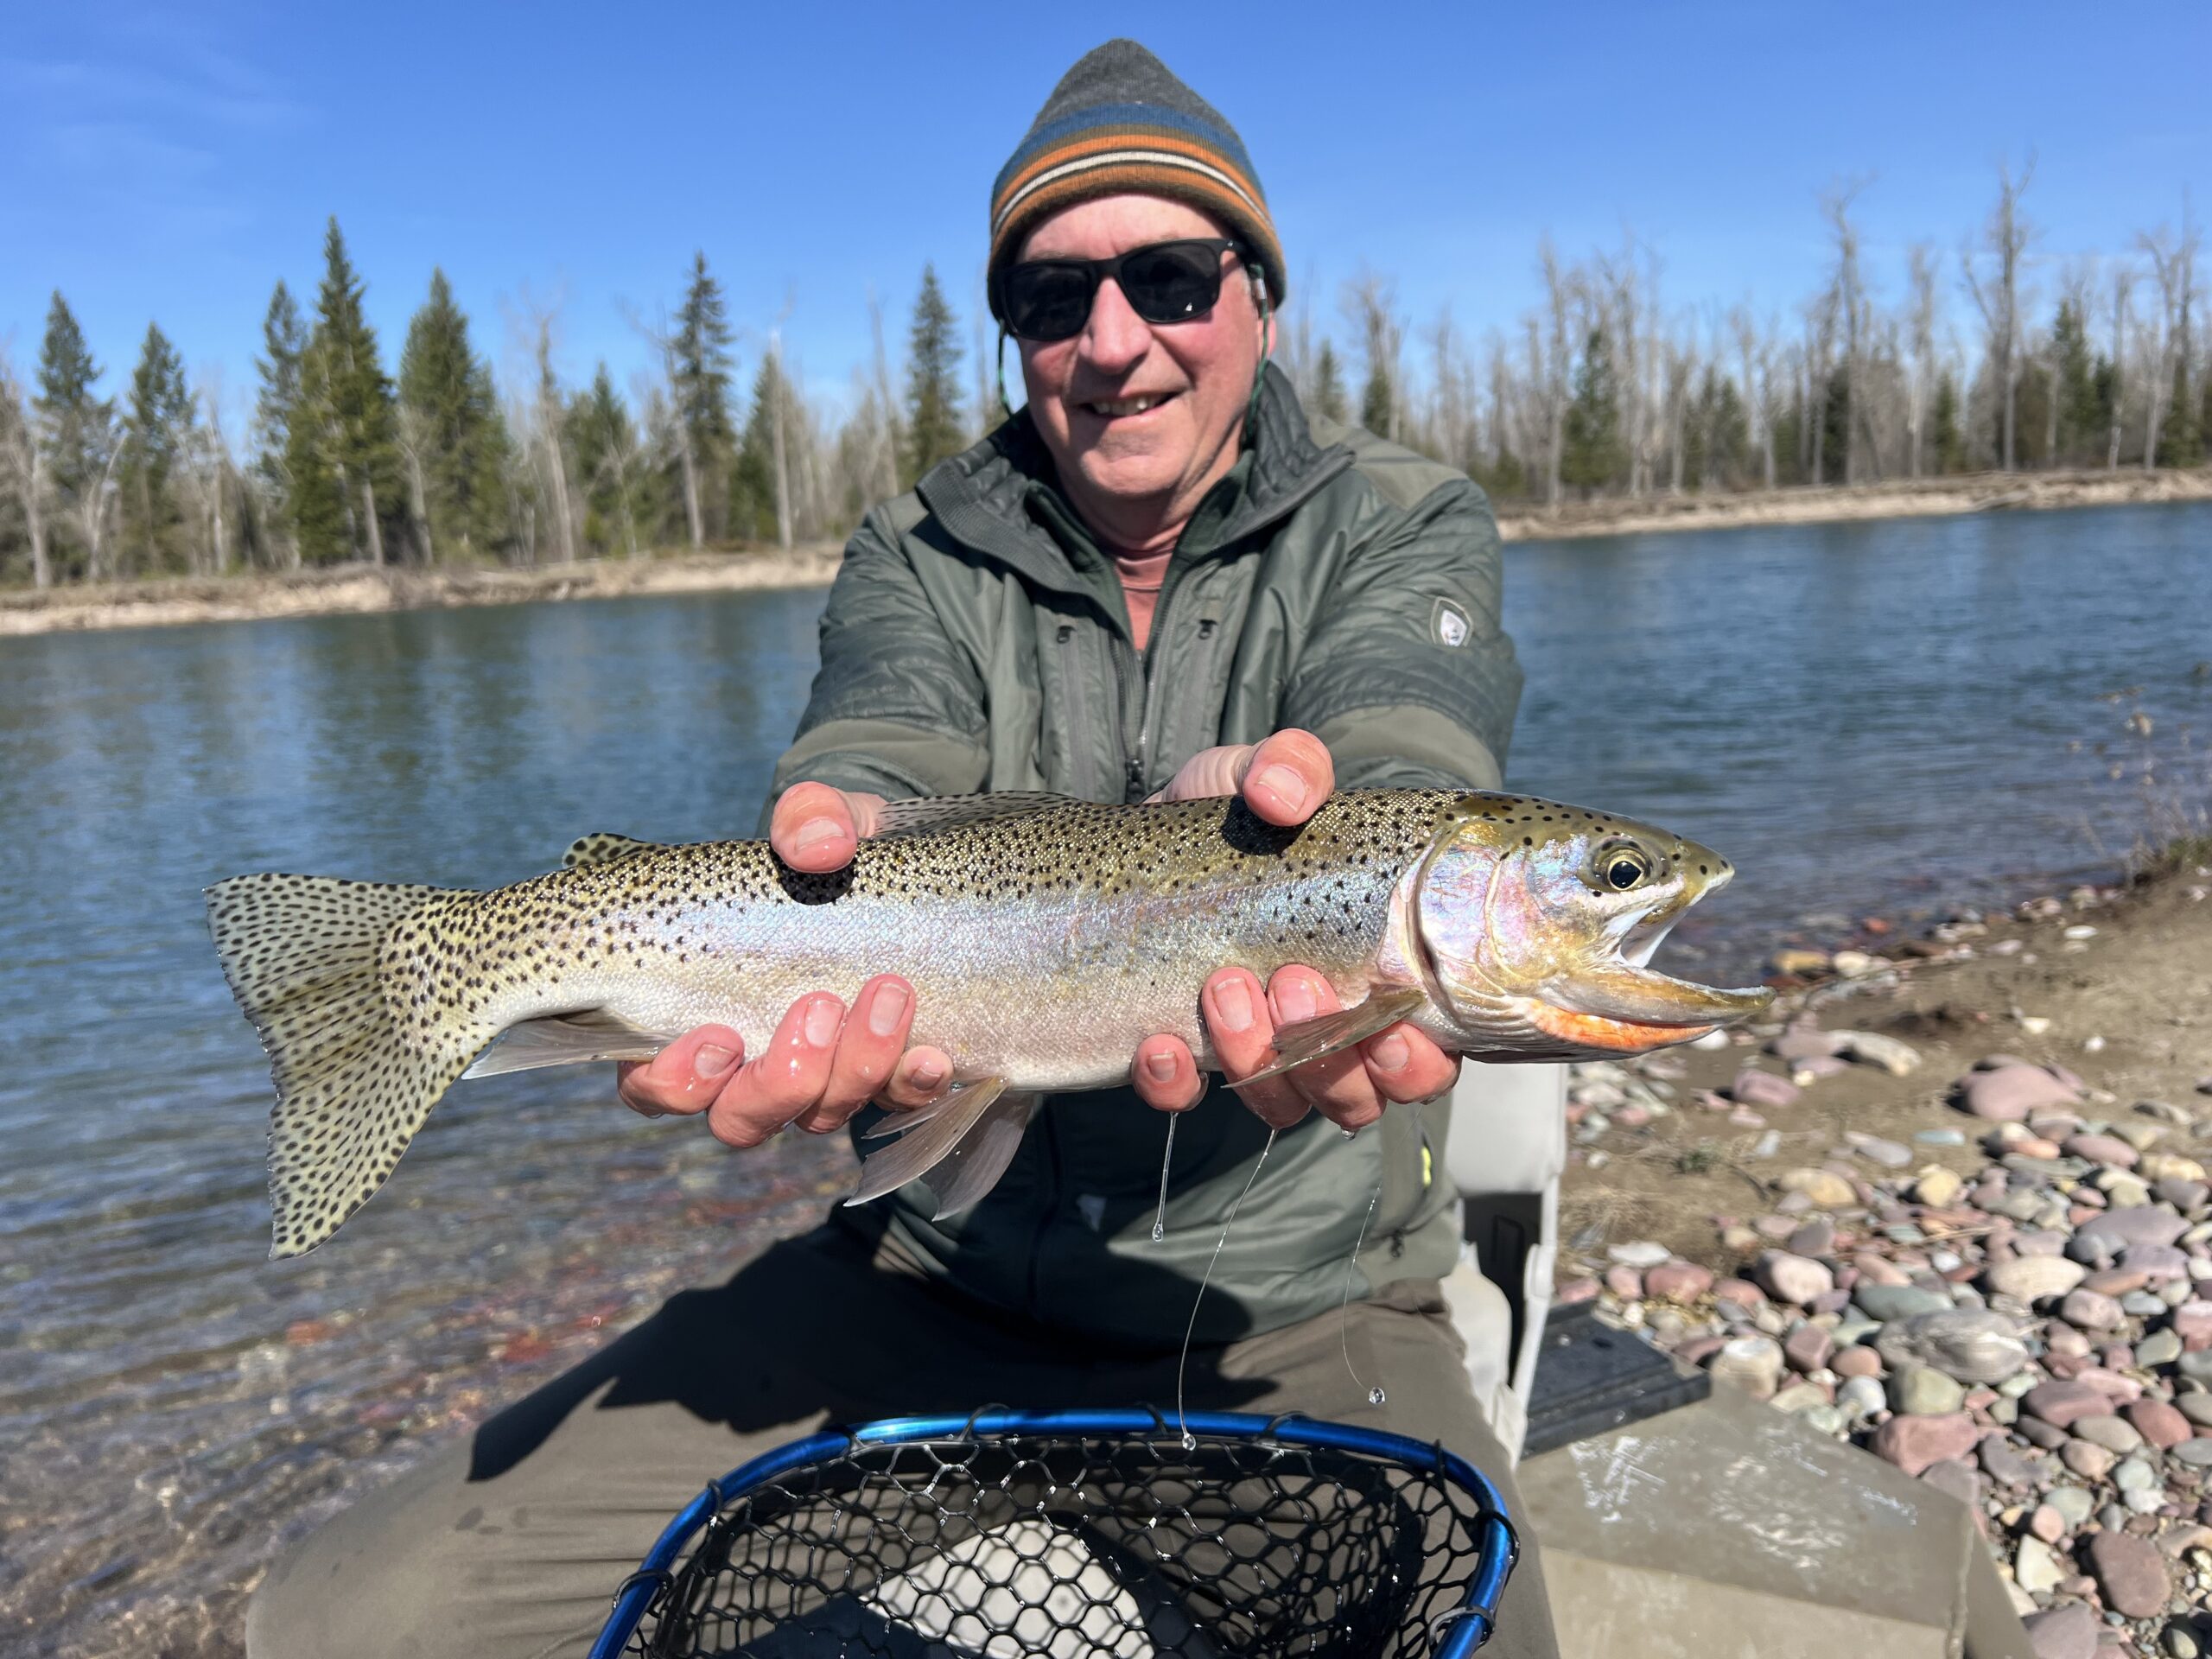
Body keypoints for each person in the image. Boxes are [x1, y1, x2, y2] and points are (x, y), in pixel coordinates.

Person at [247, 39, 1554, 1658]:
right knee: (348, 1619)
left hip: (1297, 1307)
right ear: (1015, 332)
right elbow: (878, 750)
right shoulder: (921, 545)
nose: (1116, 341)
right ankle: (438, 995)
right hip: (918, 1281)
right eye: (1055, 298)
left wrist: (1328, 788)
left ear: (1258, 297)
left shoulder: (1401, 518)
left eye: (1170, 276)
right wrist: (839, 820)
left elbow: (1411, 726)